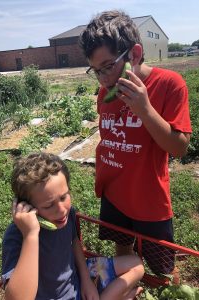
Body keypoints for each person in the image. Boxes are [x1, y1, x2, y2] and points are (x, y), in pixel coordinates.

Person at [79, 10, 192, 281]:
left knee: (164, 268)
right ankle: (130, 289)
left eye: (108, 66)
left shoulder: (169, 85)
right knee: (124, 254)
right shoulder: (107, 91)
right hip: (114, 193)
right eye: (95, 71)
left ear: (135, 54)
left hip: (149, 199)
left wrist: (144, 109)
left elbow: (179, 148)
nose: (103, 79)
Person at [2, 152, 144, 300]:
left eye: (64, 197)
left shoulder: (67, 215)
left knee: (136, 265)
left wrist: (86, 281)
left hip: (79, 275)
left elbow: (74, 241)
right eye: (49, 205)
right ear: (27, 207)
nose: (62, 210)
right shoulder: (17, 235)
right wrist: (30, 236)